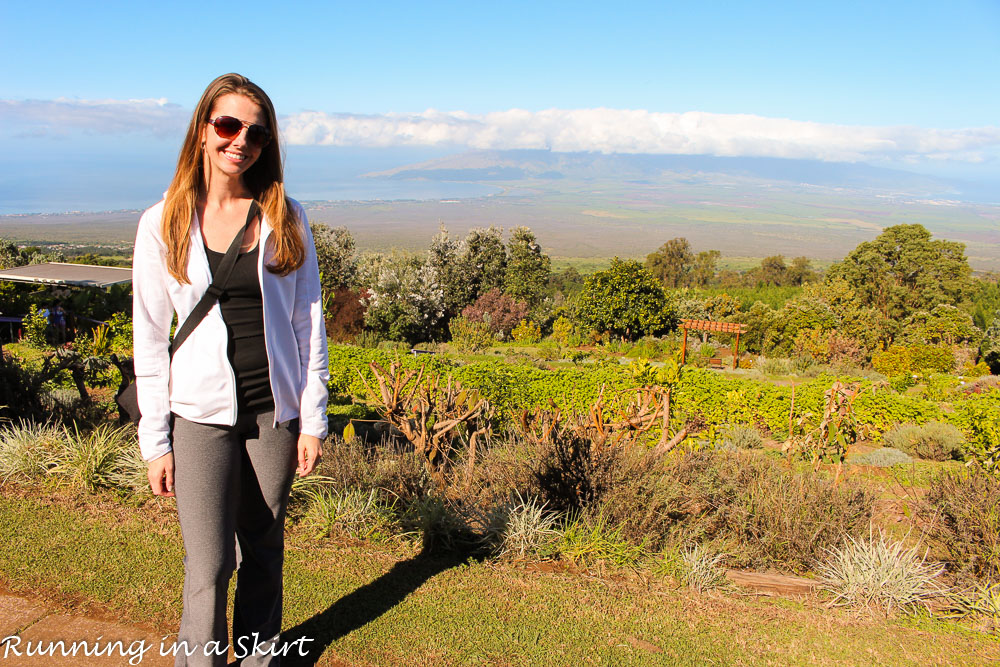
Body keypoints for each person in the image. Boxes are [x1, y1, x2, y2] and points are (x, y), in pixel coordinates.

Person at [132, 73, 329, 666]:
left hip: (274, 413)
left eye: (257, 132)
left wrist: (312, 419)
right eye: (228, 125)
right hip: (197, 415)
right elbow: (149, 336)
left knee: (265, 550)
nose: (241, 140)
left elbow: (308, 323)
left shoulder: (284, 216)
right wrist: (155, 441)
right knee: (210, 561)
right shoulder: (161, 222)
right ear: (201, 132)